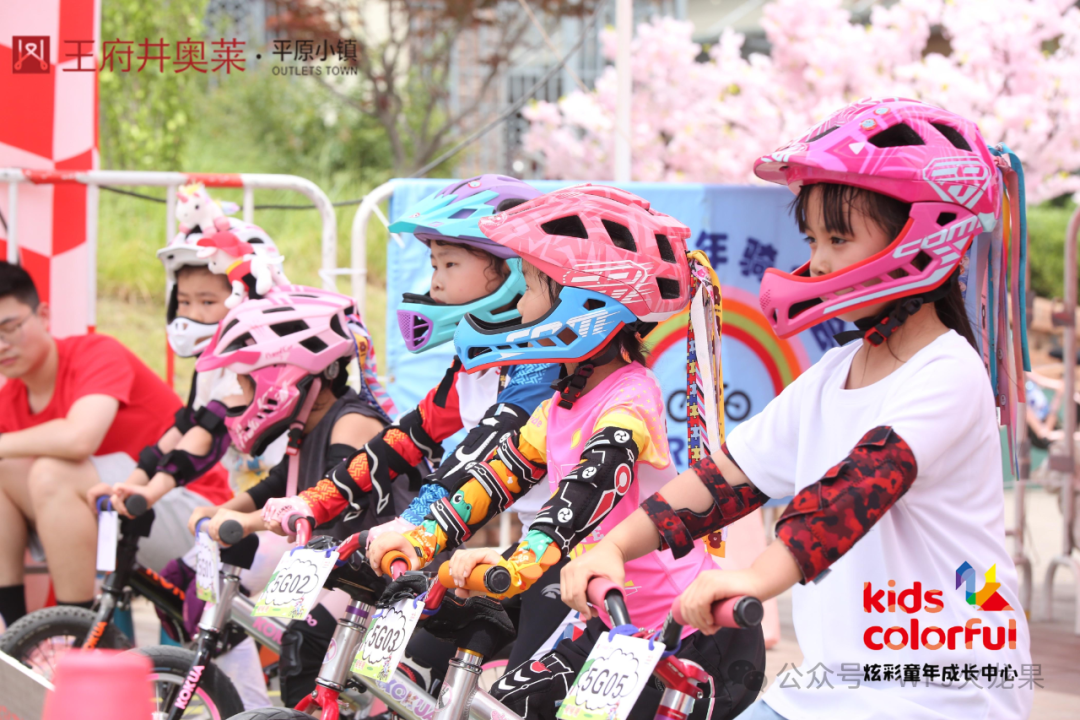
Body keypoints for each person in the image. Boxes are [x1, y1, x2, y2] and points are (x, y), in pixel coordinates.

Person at [559, 99, 1034, 720]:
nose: (821, 260)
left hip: (945, 692)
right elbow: (728, 478)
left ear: (923, 236)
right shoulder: (834, 373)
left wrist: (755, 579)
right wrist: (614, 547)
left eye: (839, 238)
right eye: (813, 239)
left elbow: (857, 489)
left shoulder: (948, 371)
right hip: (838, 686)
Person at [369, 184, 765, 720]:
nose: (519, 306)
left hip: (688, 638)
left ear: (583, 303)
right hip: (609, 623)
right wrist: (421, 538)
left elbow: (583, 495)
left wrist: (518, 560)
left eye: (530, 288)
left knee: (508, 708)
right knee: (496, 705)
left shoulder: (630, 398)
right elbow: (495, 477)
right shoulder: (560, 403)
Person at [260, 176, 568, 692]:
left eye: (450, 264)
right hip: (530, 550)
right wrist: (314, 500)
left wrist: (410, 525)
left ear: (515, 270)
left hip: (586, 555)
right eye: (433, 265)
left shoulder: (545, 366)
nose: (435, 282)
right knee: (406, 678)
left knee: (524, 698)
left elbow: (479, 459)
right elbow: (403, 440)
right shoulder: (474, 363)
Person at [0, 261, 229, 628]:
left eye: (9, 328)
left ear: (42, 315)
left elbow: (80, 437)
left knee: (51, 473)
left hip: (197, 518)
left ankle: (78, 634)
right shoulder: (9, 400)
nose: (2, 345)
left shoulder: (96, 352)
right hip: (123, 513)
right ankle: (12, 630)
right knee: (6, 470)